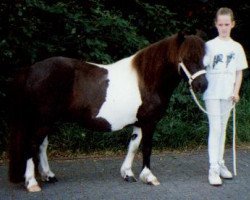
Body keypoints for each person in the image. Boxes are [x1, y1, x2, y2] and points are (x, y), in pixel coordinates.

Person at [203, 7, 248, 186]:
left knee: (222, 129)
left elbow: (238, 73)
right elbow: (201, 68)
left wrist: (236, 92)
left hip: (228, 94)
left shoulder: (237, 47)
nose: (223, 27)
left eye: (226, 24)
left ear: (233, 24)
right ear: (216, 24)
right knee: (215, 128)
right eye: (220, 24)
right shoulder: (209, 45)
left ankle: (220, 162)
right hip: (212, 92)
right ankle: (213, 168)